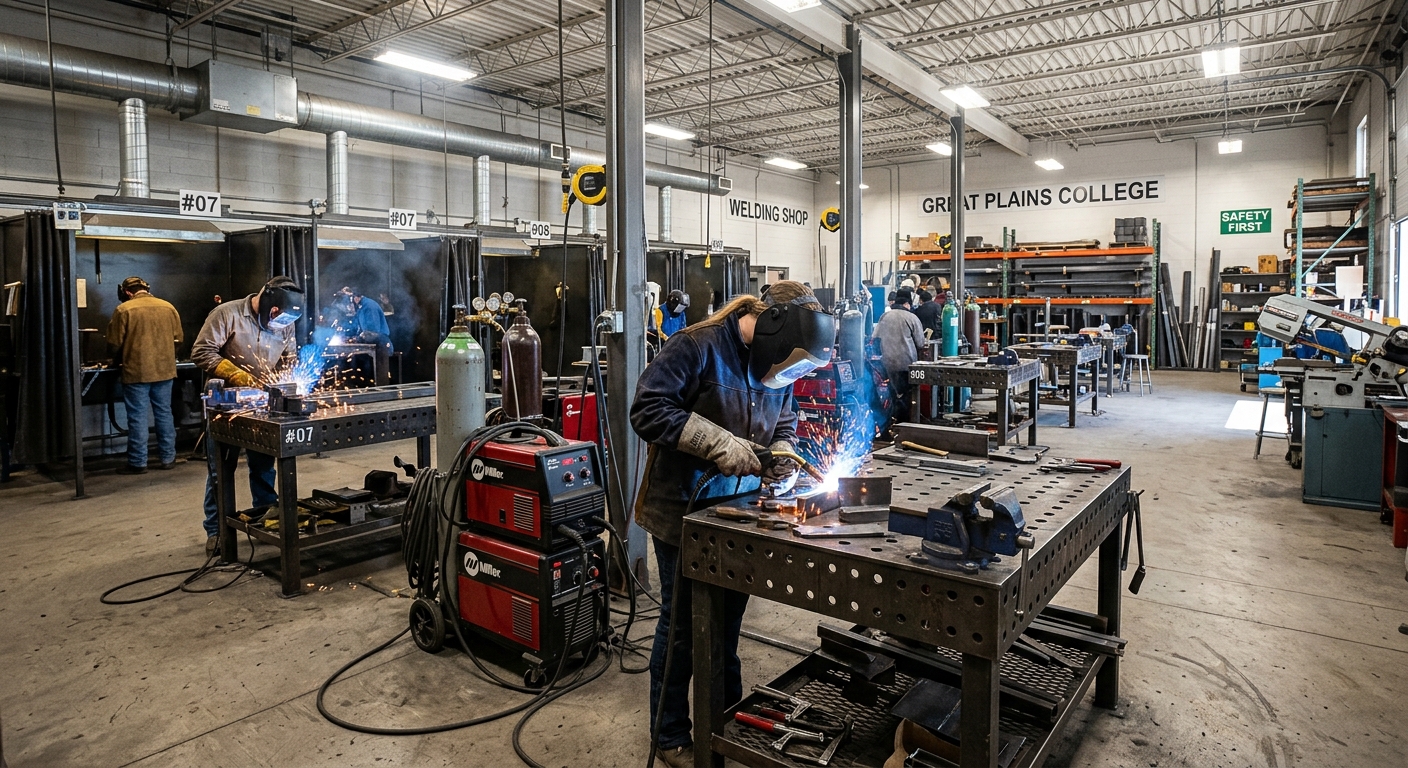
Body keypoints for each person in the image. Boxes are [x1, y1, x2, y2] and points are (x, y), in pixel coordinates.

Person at [631, 280, 834, 768]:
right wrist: (714, 442)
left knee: (725, 627)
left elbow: (785, 418)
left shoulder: (779, 361)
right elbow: (647, 409)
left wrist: (784, 453)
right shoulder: (697, 345)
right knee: (682, 627)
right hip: (681, 507)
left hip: (739, 513)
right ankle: (671, 733)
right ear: (769, 327)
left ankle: (728, 724)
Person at [191, 277, 304, 556]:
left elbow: (290, 359)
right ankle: (217, 530)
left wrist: (289, 380)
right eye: (276, 316)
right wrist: (235, 373)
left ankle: (267, 518)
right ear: (268, 304)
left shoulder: (286, 322)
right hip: (226, 406)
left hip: (263, 406)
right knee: (221, 471)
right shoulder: (226, 314)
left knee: (264, 466)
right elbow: (200, 351)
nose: (279, 322)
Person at [105, 276, 183, 474]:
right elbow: (178, 340)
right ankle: (168, 458)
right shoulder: (168, 307)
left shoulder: (124, 310)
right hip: (165, 371)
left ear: (127, 292)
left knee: (137, 417)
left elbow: (114, 344)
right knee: (164, 413)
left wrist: (114, 360)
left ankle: (138, 463)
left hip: (136, 371)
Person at [872, 288, 926, 424]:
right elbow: (921, 343)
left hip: (887, 364)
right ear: (908, 304)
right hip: (906, 365)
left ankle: (890, 424)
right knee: (906, 396)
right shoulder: (911, 317)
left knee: (892, 395)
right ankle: (905, 424)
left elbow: (875, 338)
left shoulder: (885, 316)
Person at [334, 286, 393, 385]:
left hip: (380, 345)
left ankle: (377, 390)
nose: (349, 307)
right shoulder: (361, 307)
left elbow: (372, 332)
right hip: (371, 344)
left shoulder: (369, 307)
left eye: (350, 304)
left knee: (375, 377)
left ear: (356, 298)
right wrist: (350, 337)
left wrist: (357, 339)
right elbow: (360, 329)